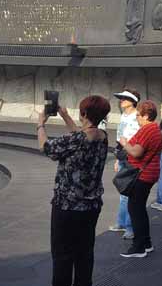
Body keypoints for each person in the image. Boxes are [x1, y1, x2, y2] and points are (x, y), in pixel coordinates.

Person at [38, 96, 110, 286]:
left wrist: (40, 124)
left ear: (84, 113)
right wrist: (65, 116)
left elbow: (46, 148)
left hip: (67, 207)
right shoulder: (103, 136)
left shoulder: (74, 140)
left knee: (62, 255)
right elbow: (83, 135)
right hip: (91, 206)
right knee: (84, 253)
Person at [120, 100, 162, 258]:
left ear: (146, 115)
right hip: (149, 173)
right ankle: (146, 243)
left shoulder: (147, 129)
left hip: (142, 174)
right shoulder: (155, 129)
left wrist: (124, 143)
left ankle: (138, 247)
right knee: (139, 209)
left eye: (138, 115)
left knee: (135, 210)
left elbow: (136, 152)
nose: (136, 117)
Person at [109, 89, 141, 240]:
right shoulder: (123, 115)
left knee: (129, 194)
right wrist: (117, 159)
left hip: (132, 157)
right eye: (121, 98)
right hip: (123, 156)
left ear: (133, 101)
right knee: (123, 192)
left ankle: (130, 227)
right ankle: (121, 223)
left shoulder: (138, 116)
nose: (121, 100)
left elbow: (140, 139)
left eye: (124, 98)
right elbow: (120, 139)